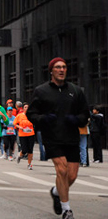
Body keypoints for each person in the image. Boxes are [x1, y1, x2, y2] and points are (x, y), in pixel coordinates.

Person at [28, 58, 90, 219]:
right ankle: (66, 209)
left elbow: (85, 113)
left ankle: (56, 192)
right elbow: (31, 113)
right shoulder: (41, 91)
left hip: (71, 137)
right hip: (52, 137)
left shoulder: (75, 91)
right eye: (57, 67)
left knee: (72, 176)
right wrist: (43, 119)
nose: (61, 70)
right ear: (51, 71)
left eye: (63, 67)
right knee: (61, 170)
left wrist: (77, 120)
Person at [14, 103, 35, 170]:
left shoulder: (32, 116)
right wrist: (19, 127)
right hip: (22, 134)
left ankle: (29, 164)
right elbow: (15, 123)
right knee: (24, 149)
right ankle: (20, 155)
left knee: (30, 150)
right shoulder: (20, 116)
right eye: (25, 107)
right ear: (23, 108)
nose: (26, 109)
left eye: (28, 107)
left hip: (31, 134)